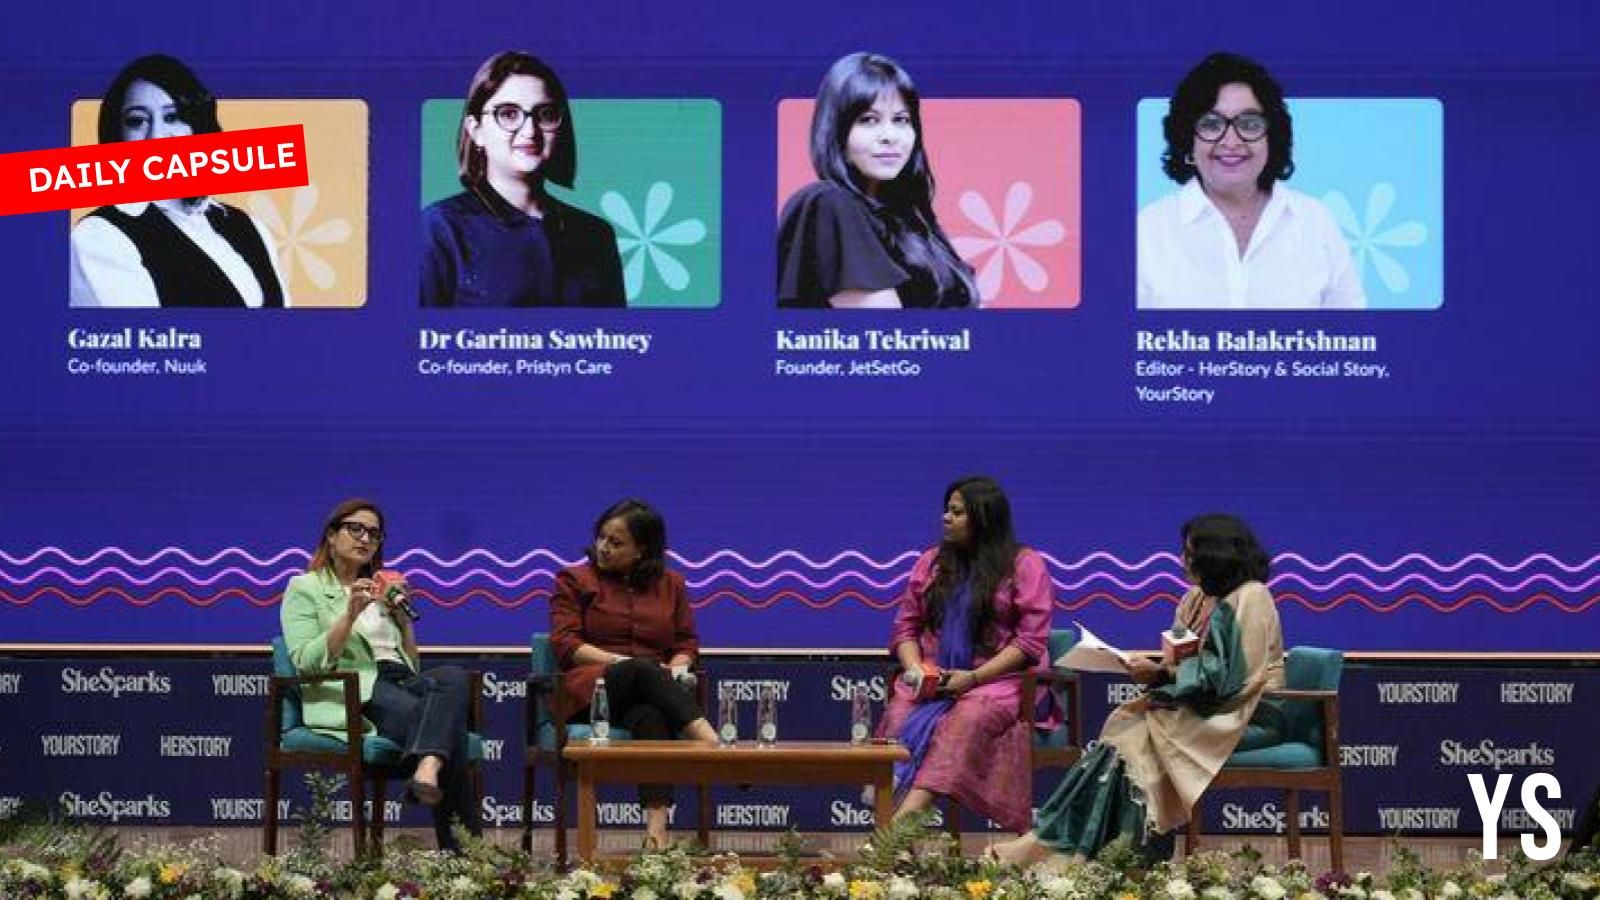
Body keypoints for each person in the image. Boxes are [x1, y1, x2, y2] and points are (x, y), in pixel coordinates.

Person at [989, 514, 1286, 865]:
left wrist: (1162, 675)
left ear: (1216, 555)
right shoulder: (1195, 598)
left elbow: (1233, 676)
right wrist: (1157, 671)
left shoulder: (1251, 597)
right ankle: (1070, 847)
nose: (1181, 560)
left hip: (1240, 712)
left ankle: (1131, 859)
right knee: (1121, 730)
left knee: (1135, 741)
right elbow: (1182, 655)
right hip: (1199, 705)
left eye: (1190, 553)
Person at [279, 499, 480, 851]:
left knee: (452, 675)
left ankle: (428, 765)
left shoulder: (382, 587)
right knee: (452, 733)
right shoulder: (305, 588)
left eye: (374, 533)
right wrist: (349, 616)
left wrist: (402, 621)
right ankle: (466, 860)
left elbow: (411, 665)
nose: (365, 538)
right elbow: (306, 663)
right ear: (331, 535)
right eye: (355, 529)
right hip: (356, 688)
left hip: (400, 679)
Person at [876, 476, 1056, 835]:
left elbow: (1029, 643)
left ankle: (892, 835)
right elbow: (906, 629)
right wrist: (916, 670)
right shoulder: (931, 563)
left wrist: (972, 679)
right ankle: (898, 848)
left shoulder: (1025, 564)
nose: (946, 518)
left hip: (1000, 681)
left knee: (966, 719)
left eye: (957, 512)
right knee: (899, 715)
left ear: (983, 518)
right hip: (935, 679)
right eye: (947, 510)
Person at [549, 498, 718, 847]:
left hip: (652, 691)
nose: (603, 547)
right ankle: (714, 745)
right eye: (601, 537)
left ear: (642, 550)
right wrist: (621, 663)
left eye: (616, 542)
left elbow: (686, 642)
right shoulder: (574, 579)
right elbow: (566, 644)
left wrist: (677, 667)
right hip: (591, 691)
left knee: (651, 715)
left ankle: (656, 838)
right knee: (640, 668)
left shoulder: (672, 584)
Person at [1137, 52, 1364, 310]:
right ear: (1187, 138)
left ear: (1271, 136)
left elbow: (1352, 330)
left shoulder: (1315, 221)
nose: (1231, 141)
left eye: (1249, 124)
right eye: (1211, 124)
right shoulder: (1148, 231)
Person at [70, 54, 291, 308]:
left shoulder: (248, 226)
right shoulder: (99, 236)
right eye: (136, 121)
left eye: (173, 117)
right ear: (117, 136)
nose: (156, 137)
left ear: (198, 128)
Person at [421, 51, 625, 307]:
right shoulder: (441, 227)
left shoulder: (596, 235)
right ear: (476, 131)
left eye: (545, 114)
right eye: (508, 114)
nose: (530, 131)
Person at [777, 52, 977, 309]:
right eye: (869, 120)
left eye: (901, 120)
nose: (889, 136)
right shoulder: (827, 203)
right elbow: (885, 329)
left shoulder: (910, 219)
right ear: (836, 132)